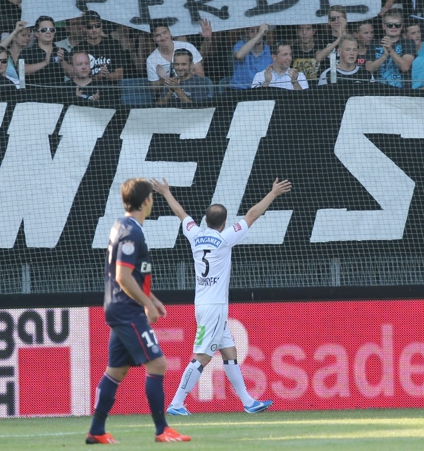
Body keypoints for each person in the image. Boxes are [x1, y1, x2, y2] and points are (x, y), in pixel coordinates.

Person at [150, 175, 291, 416]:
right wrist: (273, 194)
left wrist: (166, 193)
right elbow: (252, 215)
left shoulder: (195, 234)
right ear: (224, 222)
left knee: (229, 352)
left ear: (205, 220)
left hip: (204, 303)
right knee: (202, 357)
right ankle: (176, 403)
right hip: (214, 307)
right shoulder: (225, 238)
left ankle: (248, 402)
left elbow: (181, 214)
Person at [86, 178, 191, 444]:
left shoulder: (122, 226)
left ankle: (96, 430)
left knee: (116, 371)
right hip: (127, 309)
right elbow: (123, 276)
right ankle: (162, 430)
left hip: (121, 306)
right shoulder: (131, 231)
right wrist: (145, 303)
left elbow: (132, 274)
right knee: (157, 363)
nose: (152, 202)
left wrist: (152, 299)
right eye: (152, 198)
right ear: (146, 201)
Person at [64, 10, 130, 82]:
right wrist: (97, 77)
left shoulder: (113, 45)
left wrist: (105, 76)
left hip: (110, 91)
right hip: (88, 91)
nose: (94, 30)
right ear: (84, 28)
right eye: (90, 27)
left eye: (97, 26)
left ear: (101, 26)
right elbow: (74, 76)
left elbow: (119, 75)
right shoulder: (78, 49)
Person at [146, 19, 205, 89]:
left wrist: (168, 79)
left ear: (170, 33)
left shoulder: (188, 47)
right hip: (169, 96)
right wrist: (163, 80)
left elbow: (201, 76)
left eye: (164, 32)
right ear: (153, 38)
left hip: (192, 91)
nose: (163, 38)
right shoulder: (151, 59)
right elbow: (155, 90)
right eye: (158, 35)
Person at [365, 7, 416, 87]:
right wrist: (384, 56)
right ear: (383, 26)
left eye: (397, 25)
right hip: (378, 92)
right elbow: (368, 69)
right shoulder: (373, 44)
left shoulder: (408, 43)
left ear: (402, 26)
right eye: (390, 25)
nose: (393, 27)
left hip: (402, 93)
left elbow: (405, 67)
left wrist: (390, 50)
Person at [19, 16, 66, 85]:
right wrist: (45, 62)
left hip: (58, 94)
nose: (48, 32)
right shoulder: (26, 52)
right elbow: (21, 71)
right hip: (34, 94)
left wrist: (62, 61)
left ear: (54, 33)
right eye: (44, 29)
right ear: (37, 33)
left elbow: (72, 74)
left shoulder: (61, 51)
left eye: (51, 30)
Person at [229, 23, 273, 89]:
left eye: (258, 30)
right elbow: (239, 56)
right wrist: (259, 34)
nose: (256, 34)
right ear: (247, 33)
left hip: (260, 91)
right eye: (252, 31)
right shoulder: (240, 44)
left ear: (264, 32)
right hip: (239, 90)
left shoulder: (269, 50)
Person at [0, 19, 31, 85]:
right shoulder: (4, 54)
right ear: (14, 37)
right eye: (23, 35)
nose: (28, 38)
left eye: (29, 36)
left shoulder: (30, 54)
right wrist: (16, 30)